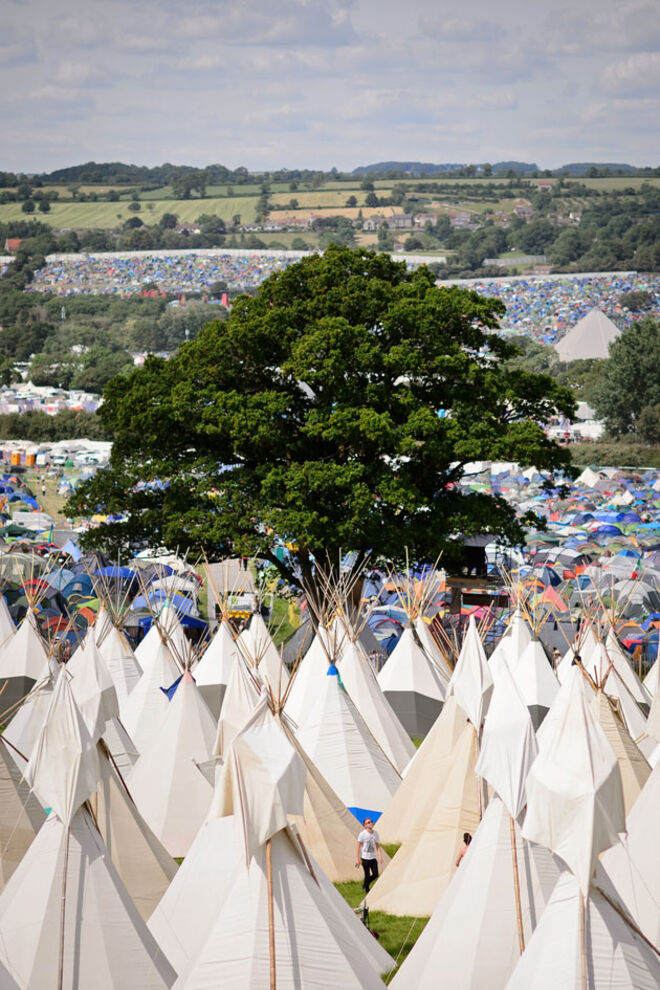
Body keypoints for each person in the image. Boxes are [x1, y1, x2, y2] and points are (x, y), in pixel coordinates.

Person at [355, 818, 383, 893]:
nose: (370, 823)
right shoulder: (362, 834)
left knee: (375, 874)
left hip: (373, 858)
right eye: (368, 822)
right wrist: (357, 859)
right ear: (365, 825)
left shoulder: (375, 833)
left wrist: (380, 856)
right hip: (365, 859)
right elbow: (358, 847)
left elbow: (378, 846)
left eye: (371, 821)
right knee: (367, 875)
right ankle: (367, 890)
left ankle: (365, 884)